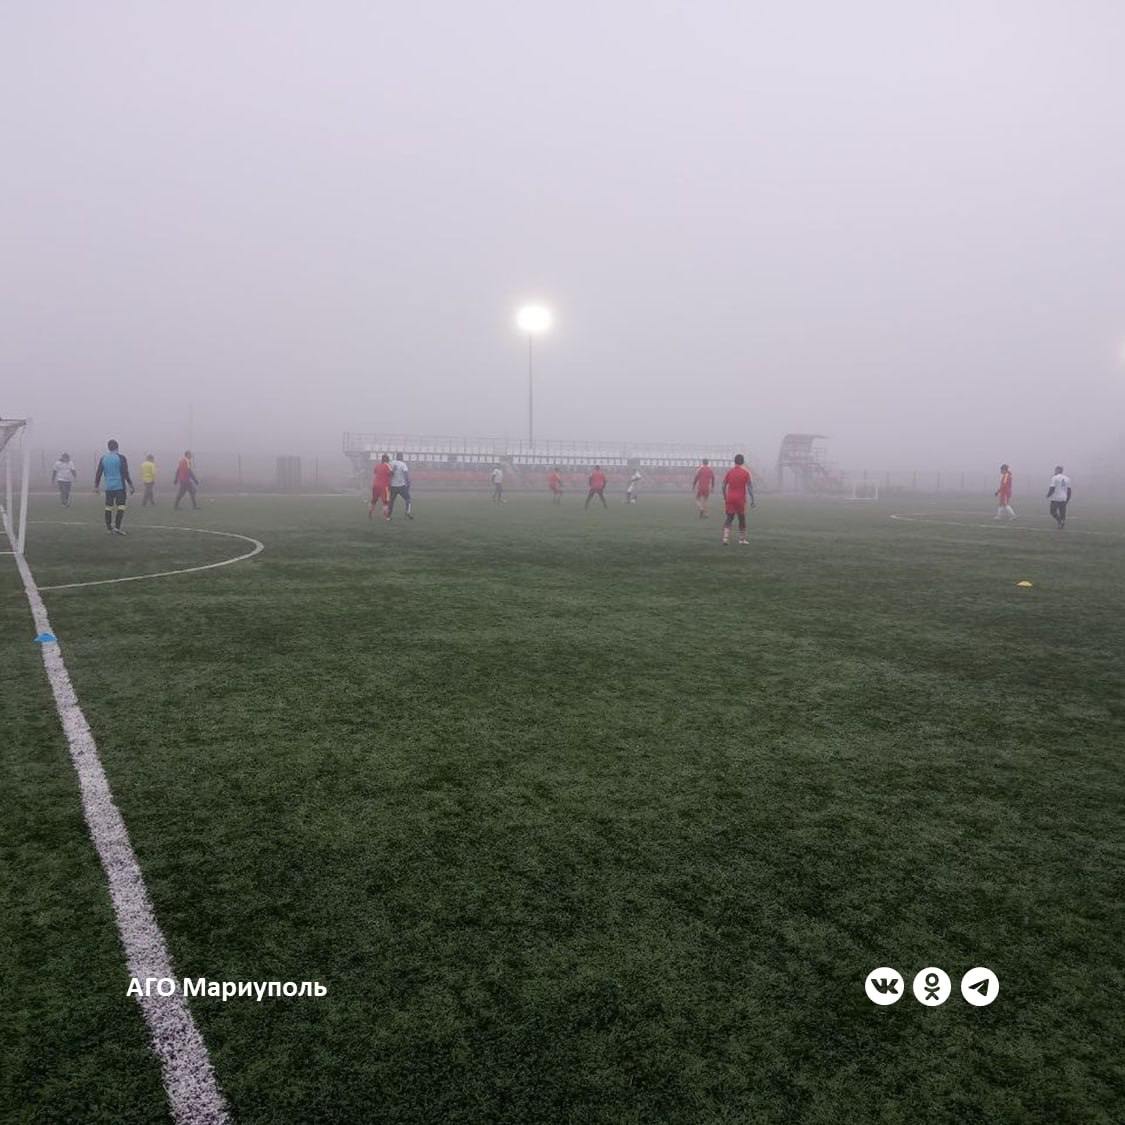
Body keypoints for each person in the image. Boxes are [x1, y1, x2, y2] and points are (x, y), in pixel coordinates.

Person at [94, 439, 135, 534]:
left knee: (108, 507)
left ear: (108, 448)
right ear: (117, 447)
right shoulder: (121, 458)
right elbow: (125, 472)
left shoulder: (103, 458)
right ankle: (117, 527)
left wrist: (96, 485)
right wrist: (131, 485)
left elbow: (99, 472)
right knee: (121, 506)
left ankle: (109, 528)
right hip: (119, 486)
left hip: (108, 487)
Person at [721, 454, 753, 545]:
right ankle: (742, 539)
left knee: (729, 518)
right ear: (743, 462)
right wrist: (753, 500)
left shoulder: (729, 472)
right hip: (740, 499)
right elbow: (750, 487)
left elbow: (723, 486)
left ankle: (725, 538)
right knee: (742, 519)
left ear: (734, 461)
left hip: (730, 498)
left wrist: (724, 496)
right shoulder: (746, 473)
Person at [388, 452, 414, 519]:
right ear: (401, 457)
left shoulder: (391, 463)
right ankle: (407, 512)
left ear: (396, 457)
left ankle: (388, 515)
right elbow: (406, 474)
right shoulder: (403, 464)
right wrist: (408, 482)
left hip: (393, 486)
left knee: (391, 501)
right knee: (408, 499)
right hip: (401, 486)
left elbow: (389, 472)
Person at [370, 454, 392, 520]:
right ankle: (386, 517)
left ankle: (370, 513)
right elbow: (391, 473)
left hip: (375, 485)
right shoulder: (388, 465)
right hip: (384, 486)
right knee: (386, 502)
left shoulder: (377, 465)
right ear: (387, 460)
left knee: (374, 501)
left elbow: (375, 472)